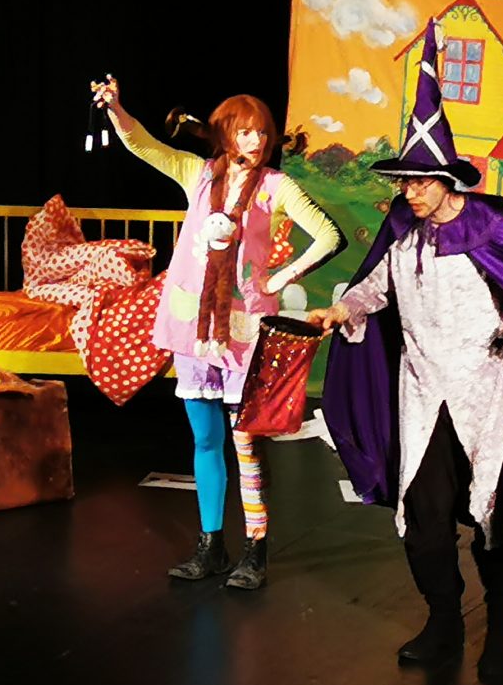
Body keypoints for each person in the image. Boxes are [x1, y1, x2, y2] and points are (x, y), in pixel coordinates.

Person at [307, 27, 503, 671]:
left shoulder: (494, 226)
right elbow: (375, 287)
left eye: (419, 182)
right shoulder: (401, 229)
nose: (408, 193)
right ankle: (443, 621)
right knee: (423, 517)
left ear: (445, 180)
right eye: (403, 183)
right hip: (422, 394)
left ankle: (501, 623)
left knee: (494, 518)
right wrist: (343, 308)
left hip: (488, 393)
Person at [93, 77, 341, 589]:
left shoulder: (276, 186)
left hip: (244, 330)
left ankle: (255, 548)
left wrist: (279, 278)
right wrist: (115, 107)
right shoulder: (199, 174)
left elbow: (328, 235)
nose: (256, 141)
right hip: (193, 326)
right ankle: (210, 546)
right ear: (226, 134)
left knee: (245, 443)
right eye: (246, 131)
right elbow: (143, 144)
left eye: (262, 132)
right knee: (205, 439)